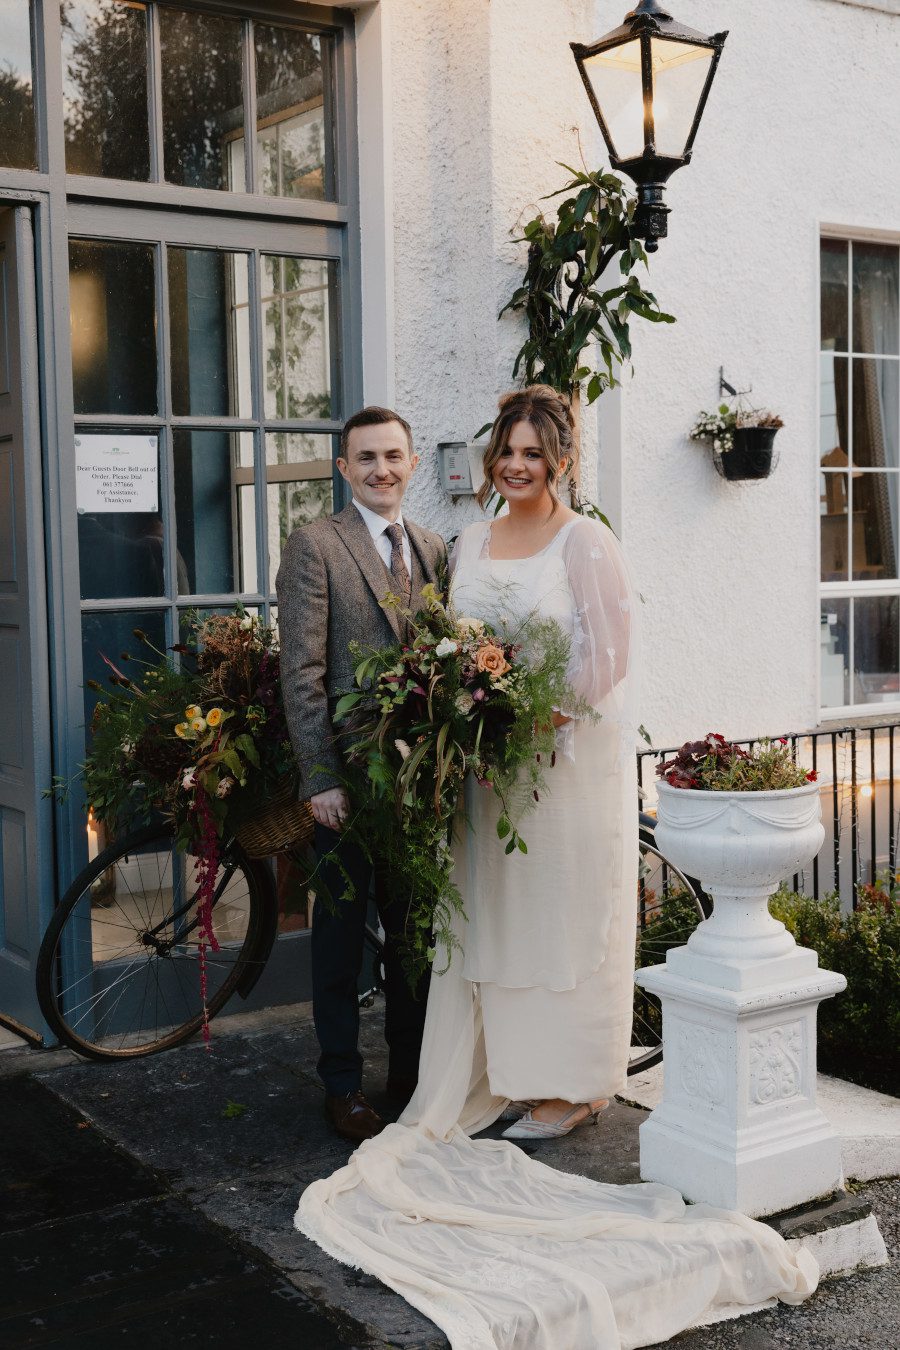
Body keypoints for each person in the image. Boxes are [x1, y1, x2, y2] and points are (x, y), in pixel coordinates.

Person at [295, 387, 818, 1348]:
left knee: (559, 913)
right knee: (487, 916)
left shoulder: (588, 542)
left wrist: (531, 717)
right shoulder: (467, 544)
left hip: (557, 771)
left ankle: (567, 1085)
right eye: (508, 450)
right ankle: (489, 1067)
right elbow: (442, 655)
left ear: (561, 459)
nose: (517, 465)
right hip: (481, 781)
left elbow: (606, 658)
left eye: (535, 452)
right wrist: (466, 722)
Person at [276, 406, 447, 1143]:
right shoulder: (316, 545)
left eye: (393, 456)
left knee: (415, 941)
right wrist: (320, 780)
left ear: (412, 464)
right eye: (366, 458)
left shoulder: (435, 547)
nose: (382, 469)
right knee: (341, 944)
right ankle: (342, 1084)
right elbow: (302, 673)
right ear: (345, 469)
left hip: (418, 788)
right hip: (345, 786)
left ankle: (408, 1077)